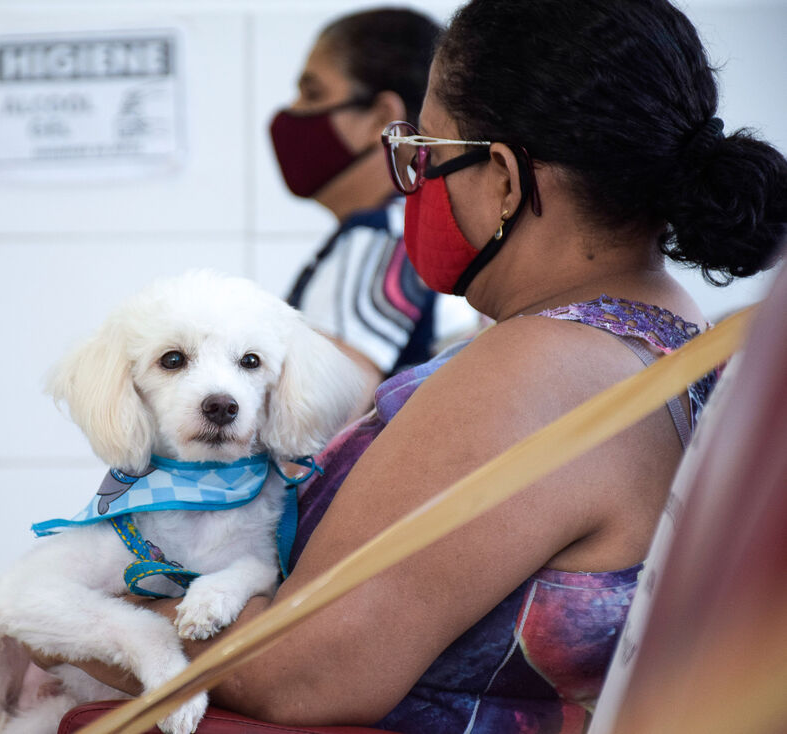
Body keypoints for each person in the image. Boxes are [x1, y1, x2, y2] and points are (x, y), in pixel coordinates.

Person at [39, 0, 787, 730]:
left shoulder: (542, 371)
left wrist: (80, 616)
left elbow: (304, 672)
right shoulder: (672, 331)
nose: (411, 186)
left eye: (421, 156)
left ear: (501, 178)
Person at [268, 8, 445, 397]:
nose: (291, 112)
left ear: (379, 118)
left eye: (313, 93)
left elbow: (319, 419)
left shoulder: (378, 239)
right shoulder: (412, 229)